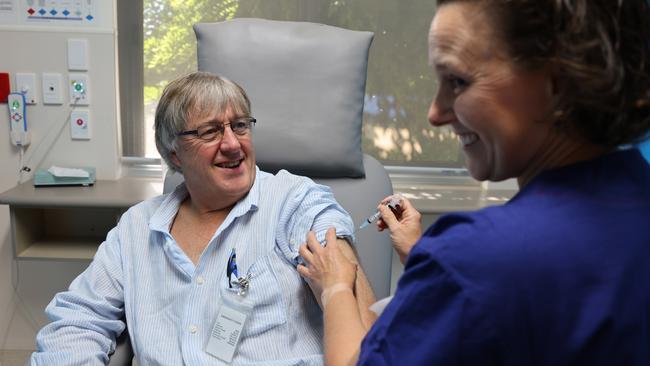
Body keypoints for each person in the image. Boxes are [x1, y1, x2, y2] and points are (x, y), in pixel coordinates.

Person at [297, 0, 650, 365]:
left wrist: (336, 286)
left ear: (559, 82)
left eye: (457, 82)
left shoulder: (476, 260)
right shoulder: (636, 200)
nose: (435, 114)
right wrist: (432, 263)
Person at [31, 71, 376, 365]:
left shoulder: (294, 201)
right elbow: (79, 322)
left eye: (240, 126)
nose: (232, 145)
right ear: (174, 155)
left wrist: (338, 289)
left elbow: (355, 305)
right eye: (209, 132)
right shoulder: (137, 230)